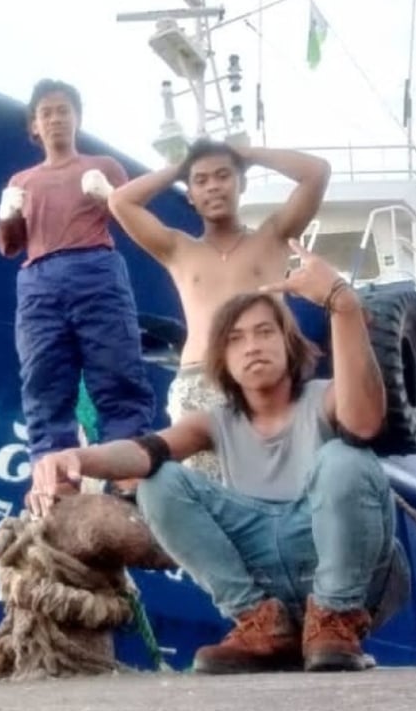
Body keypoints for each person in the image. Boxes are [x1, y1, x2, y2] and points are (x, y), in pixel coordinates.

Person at [27, 240, 410, 674]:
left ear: (289, 344)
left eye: (265, 332)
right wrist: (75, 457)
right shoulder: (214, 423)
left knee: (345, 457)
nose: (252, 346)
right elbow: (144, 451)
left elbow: (363, 424)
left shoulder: (325, 399)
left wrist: (343, 306)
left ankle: (335, 619)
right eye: (235, 339)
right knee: (159, 481)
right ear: (222, 361)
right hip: (268, 575)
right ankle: (261, 623)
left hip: (353, 581)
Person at [107, 139, 330, 480]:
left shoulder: (273, 236)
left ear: (241, 183)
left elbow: (317, 173)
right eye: (201, 180)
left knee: (275, 482)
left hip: (265, 380)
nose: (213, 186)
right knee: (204, 490)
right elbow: (120, 201)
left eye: (223, 176)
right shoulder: (177, 248)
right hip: (199, 383)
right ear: (190, 195)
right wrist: (180, 169)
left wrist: (249, 155)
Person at [0, 78, 155, 466]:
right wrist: (6, 214)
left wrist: (111, 197)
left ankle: (127, 471)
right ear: (34, 126)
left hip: (95, 269)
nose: (55, 119)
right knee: (43, 380)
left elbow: (136, 222)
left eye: (63, 111)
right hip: (39, 281)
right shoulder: (21, 181)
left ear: (77, 118)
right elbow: (10, 246)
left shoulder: (105, 166)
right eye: (46, 113)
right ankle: (54, 476)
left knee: (116, 371)